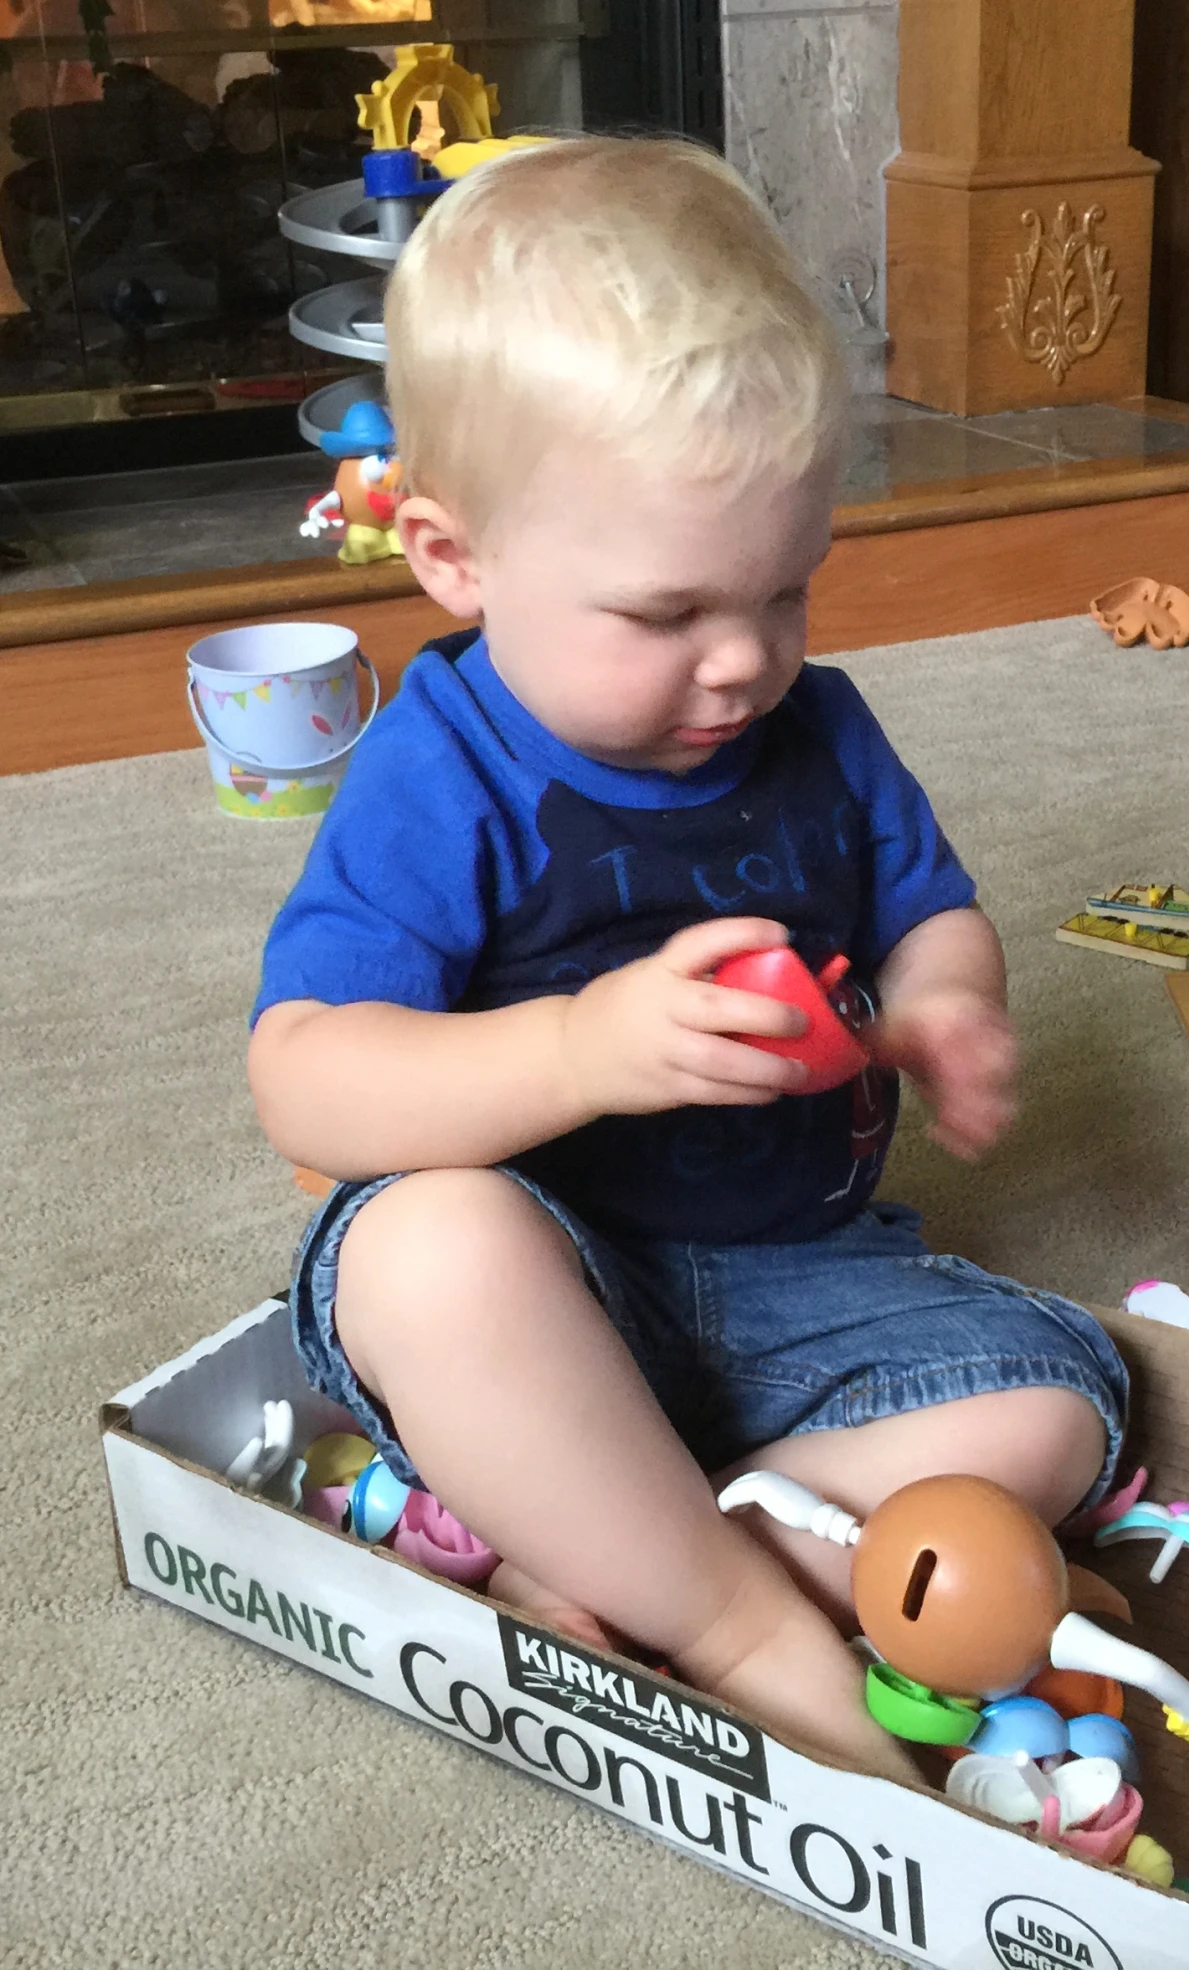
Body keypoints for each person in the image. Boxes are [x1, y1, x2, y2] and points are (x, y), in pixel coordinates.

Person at [247, 137, 1128, 1780]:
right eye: (664, 614)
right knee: (419, 1251)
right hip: (552, 1275)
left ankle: (628, 1536)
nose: (742, 660)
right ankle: (742, 1621)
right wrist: (574, 1052)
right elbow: (302, 1070)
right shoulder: (439, 770)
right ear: (453, 557)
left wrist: (946, 1002)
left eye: (785, 588)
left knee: (1066, 1399)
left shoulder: (820, 726)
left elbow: (933, 903)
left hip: (794, 1278)